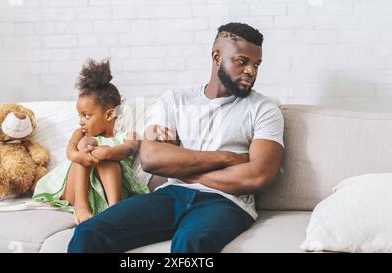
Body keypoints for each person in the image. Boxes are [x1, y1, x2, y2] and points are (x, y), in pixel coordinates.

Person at [68, 22, 284, 253]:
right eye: (242, 61)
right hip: (172, 195)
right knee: (89, 232)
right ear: (217, 56)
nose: (251, 71)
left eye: (256, 64)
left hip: (227, 203)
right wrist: (230, 158)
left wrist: (182, 168)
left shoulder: (264, 109)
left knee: (191, 243)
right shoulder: (174, 101)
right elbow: (152, 159)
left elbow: (260, 176)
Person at [32, 59, 149, 225]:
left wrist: (107, 152)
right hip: (75, 188)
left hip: (109, 190)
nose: (81, 121)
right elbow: (70, 152)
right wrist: (80, 156)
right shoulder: (80, 134)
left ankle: (114, 209)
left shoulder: (128, 135)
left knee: (108, 158)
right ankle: (81, 205)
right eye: (79, 115)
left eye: (86, 116)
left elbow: (129, 148)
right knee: (86, 144)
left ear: (109, 115)